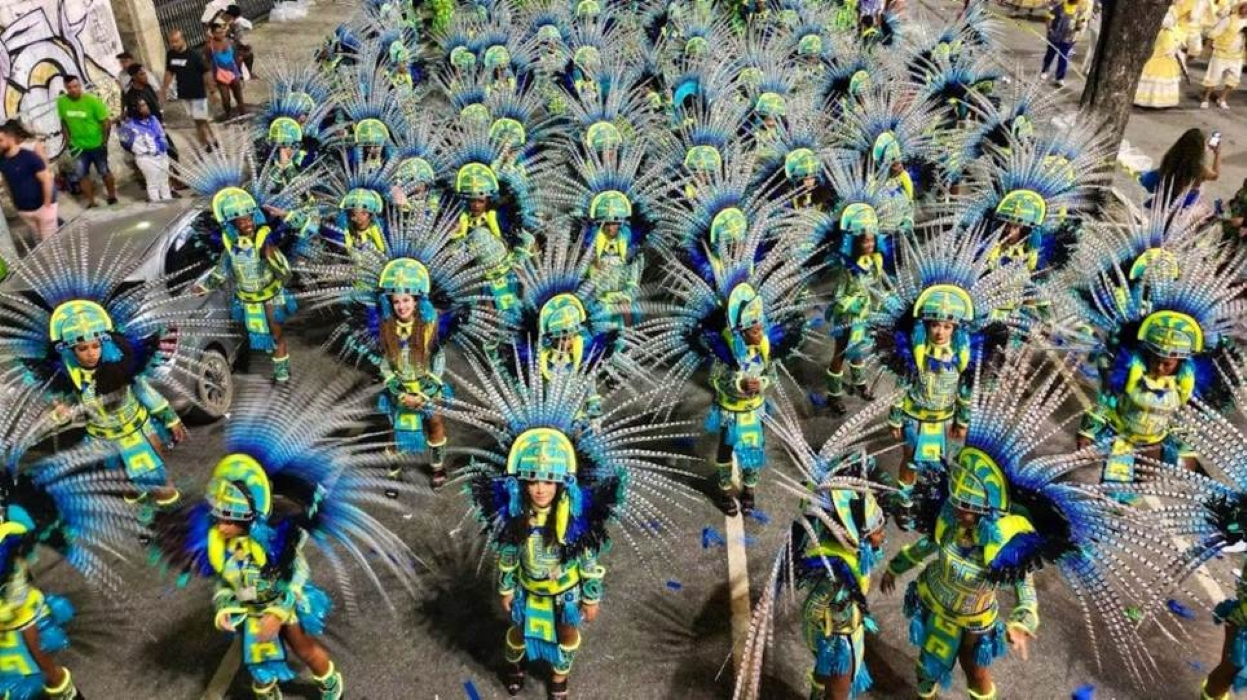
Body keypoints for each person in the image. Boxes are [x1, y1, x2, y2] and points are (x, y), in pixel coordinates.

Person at [56, 75, 117, 207]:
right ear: (66, 88)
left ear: (80, 86)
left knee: (104, 171)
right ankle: (91, 202)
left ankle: (112, 196)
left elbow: (106, 122)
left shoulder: (92, 101)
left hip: (97, 144)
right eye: (69, 87)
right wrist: (67, 141)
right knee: (82, 175)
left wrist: (104, 141)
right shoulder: (61, 102)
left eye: (76, 86)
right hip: (77, 147)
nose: (73, 90)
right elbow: (64, 122)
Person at [0, 119, 57, 243]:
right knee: (39, 239)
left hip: (41, 199)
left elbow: (45, 172)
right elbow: (7, 182)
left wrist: (47, 204)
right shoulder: (4, 158)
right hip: (25, 207)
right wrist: (15, 203)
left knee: (50, 241)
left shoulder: (30, 149)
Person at [162, 29, 218, 151]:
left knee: (199, 120)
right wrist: (164, 88)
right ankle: (213, 138)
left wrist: (212, 91)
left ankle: (205, 143)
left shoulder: (194, 55)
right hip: (184, 93)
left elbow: (206, 72)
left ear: (183, 39)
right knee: (199, 119)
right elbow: (169, 71)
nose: (174, 45)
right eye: (171, 42)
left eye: (176, 41)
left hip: (197, 93)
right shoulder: (170, 55)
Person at [1140, 127, 1220, 209]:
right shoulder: (1198, 169)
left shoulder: (1172, 156)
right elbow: (1215, 175)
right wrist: (1217, 154)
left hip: (1165, 195)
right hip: (1180, 204)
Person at [122, 63, 179, 163]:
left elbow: (155, 104)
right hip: (148, 132)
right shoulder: (133, 96)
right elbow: (139, 114)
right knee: (162, 156)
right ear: (134, 77)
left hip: (158, 126)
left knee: (172, 153)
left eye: (145, 73)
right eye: (142, 74)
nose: (145, 76)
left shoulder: (147, 86)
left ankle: (174, 174)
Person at [118, 100, 173, 202]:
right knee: (153, 183)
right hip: (146, 158)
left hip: (162, 154)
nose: (146, 107)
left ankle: (168, 201)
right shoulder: (129, 126)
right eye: (142, 106)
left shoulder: (153, 119)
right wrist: (144, 149)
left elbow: (161, 134)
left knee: (164, 181)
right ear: (135, 110)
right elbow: (126, 144)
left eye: (146, 105)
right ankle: (157, 205)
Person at [1200, 1, 1247, 109]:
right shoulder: (1229, 19)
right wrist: (1207, 49)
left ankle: (1222, 99)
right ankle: (1205, 98)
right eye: (1245, 8)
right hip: (1221, 52)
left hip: (1237, 55)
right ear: (1240, 8)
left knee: (1233, 78)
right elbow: (1213, 33)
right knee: (1213, 76)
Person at [1039, 0, 1087, 88]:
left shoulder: (1079, 10)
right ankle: (1045, 70)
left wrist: (1079, 27)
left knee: (1063, 58)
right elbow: (1049, 18)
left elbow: (1080, 23)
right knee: (1050, 54)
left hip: (1068, 39)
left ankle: (1060, 78)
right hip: (1055, 36)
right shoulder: (1058, 6)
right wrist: (1049, 30)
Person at [205, 21, 246, 119]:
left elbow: (236, 57)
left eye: (222, 32)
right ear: (213, 33)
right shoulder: (209, 46)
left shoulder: (229, 42)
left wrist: (240, 73)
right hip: (220, 76)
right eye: (218, 32)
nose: (221, 34)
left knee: (238, 95)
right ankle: (228, 115)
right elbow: (207, 63)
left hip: (233, 72)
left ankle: (243, 114)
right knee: (225, 98)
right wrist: (211, 81)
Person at [223, 5, 256, 78]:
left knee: (230, 47)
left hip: (241, 45)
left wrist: (230, 34)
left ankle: (238, 73)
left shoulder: (236, 23)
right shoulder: (244, 21)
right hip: (249, 44)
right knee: (248, 55)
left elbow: (238, 37)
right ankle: (249, 72)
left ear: (231, 15)